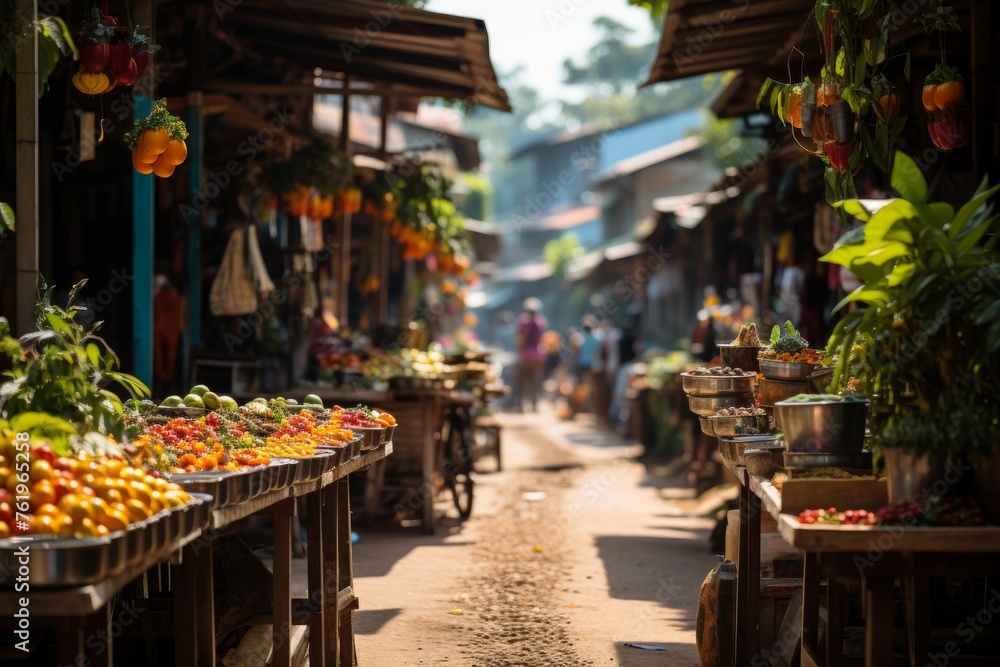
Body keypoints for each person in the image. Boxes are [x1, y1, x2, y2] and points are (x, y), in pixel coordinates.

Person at [516, 298, 547, 412]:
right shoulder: (541, 321)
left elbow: (520, 338)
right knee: (535, 380)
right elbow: (542, 338)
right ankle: (535, 405)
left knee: (523, 380)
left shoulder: (523, 320)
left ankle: (521, 406)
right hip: (538, 355)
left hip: (526, 355)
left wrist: (519, 353)